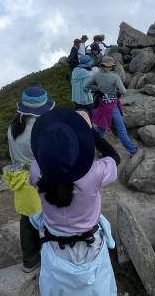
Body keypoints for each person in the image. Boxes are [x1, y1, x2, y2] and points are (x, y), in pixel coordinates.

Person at [29, 108, 121, 296]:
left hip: (54, 246)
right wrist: (90, 132)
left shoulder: (36, 170)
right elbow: (115, 158)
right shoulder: (94, 173)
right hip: (90, 247)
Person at [4, 86, 55, 273]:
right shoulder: (41, 129)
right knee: (50, 217)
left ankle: (30, 260)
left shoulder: (13, 126)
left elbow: (13, 156)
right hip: (39, 178)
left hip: (19, 179)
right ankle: (54, 257)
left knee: (26, 220)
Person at [90, 56, 139, 155]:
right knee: (121, 129)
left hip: (101, 104)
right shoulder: (115, 77)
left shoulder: (96, 75)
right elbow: (123, 91)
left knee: (101, 128)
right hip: (112, 104)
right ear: (111, 66)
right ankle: (133, 151)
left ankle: (97, 150)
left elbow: (86, 86)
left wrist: (99, 89)